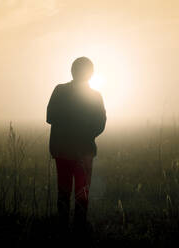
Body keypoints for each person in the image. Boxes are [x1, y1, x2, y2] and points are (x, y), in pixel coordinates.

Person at [46, 57, 106, 230]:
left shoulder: (60, 91)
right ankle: (79, 228)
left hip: (62, 149)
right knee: (82, 193)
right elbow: (101, 123)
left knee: (63, 192)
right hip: (84, 150)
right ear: (91, 74)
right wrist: (86, 135)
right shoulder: (95, 96)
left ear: (72, 71)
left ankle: (62, 227)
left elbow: (50, 117)